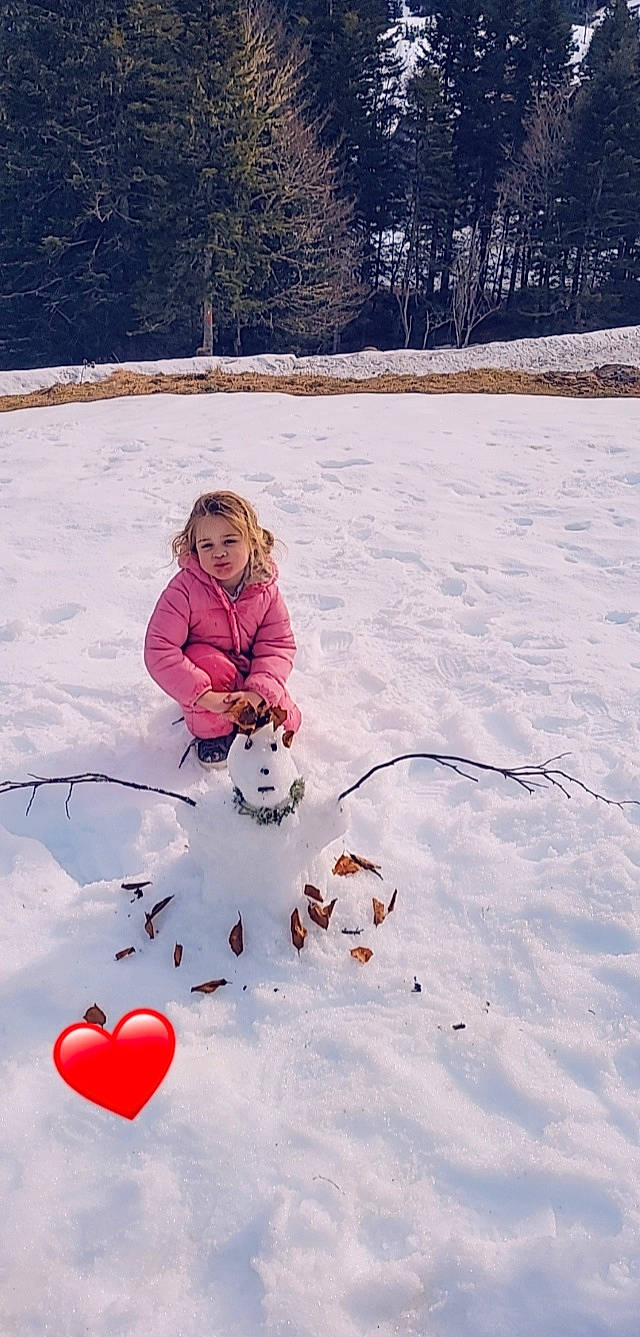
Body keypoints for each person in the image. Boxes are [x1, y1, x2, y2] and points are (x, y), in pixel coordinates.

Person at [144, 491, 302, 767]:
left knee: (287, 722)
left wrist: (257, 693)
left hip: (251, 677)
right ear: (194, 550)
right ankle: (214, 735)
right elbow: (160, 649)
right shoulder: (184, 591)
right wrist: (205, 697)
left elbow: (278, 646)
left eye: (229, 541)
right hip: (208, 686)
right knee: (208, 661)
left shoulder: (265, 591)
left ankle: (255, 724)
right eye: (207, 546)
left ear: (251, 542)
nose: (219, 552)